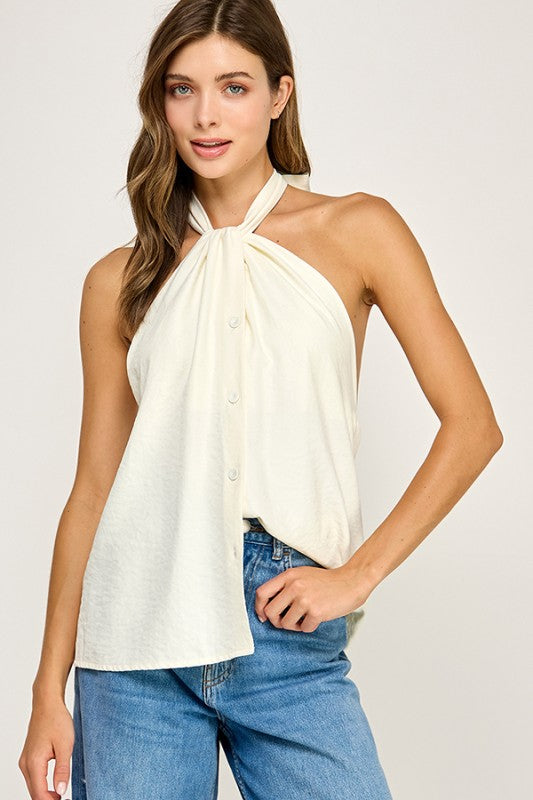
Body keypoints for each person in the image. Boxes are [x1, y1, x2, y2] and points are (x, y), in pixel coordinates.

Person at [18, 1, 504, 798]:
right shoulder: (118, 278)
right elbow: (94, 490)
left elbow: (472, 427)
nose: (205, 115)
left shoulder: (359, 230)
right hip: (134, 645)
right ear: (159, 103)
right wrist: (47, 689)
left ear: (280, 94)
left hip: (285, 624)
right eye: (181, 89)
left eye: (233, 87)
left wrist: (357, 576)